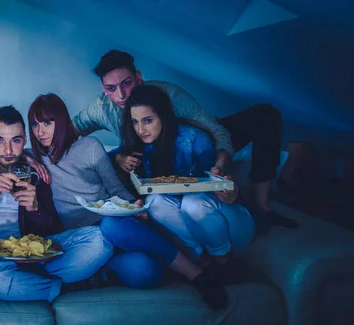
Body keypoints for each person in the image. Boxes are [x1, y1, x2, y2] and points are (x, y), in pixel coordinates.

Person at [28, 93, 228, 310]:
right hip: (82, 239)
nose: (41, 131)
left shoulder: (89, 147)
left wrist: (134, 206)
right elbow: (5, 153)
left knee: (148, 272)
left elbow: (115, 187)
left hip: (113, 226)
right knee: (141, 270)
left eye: (48, 123)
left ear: (62, 120)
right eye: (35, 125)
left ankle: (196, 275)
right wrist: (27, 158)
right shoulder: (38, 158)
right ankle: (104, 272)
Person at [72, 49, 298, 232]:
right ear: (104, 89)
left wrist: (219, 165)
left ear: (139, 77)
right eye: (111, 88)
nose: (121, 95)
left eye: (127, 84)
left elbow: (216, 131)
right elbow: (67, 132)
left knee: (265, 115)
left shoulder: (170, 95)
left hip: (199, 142)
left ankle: (262, 205)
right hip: (156, 161)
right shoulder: (101, 108)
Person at [0, 105, 112, 303]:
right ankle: (63, 286)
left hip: (34, 255)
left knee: (100, 237)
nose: (8, 150)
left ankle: (30, 283)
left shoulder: (36, 171)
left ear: (24, 141)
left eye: (16, 140)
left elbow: (51, 229)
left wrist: (34, 208)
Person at [121, 86, 256, 282]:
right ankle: (204, 264)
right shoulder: (141, 145)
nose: (140, 129)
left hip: (231, 224)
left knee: (193, 202)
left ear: (164, 117)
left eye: (148, 120)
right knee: (154, 201)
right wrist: (121, 160)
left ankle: (224, 263)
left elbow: (217, 178)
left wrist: (228, 189)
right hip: (196, 232)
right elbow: (108, 158)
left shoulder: (194, 139)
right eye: (135, 122)